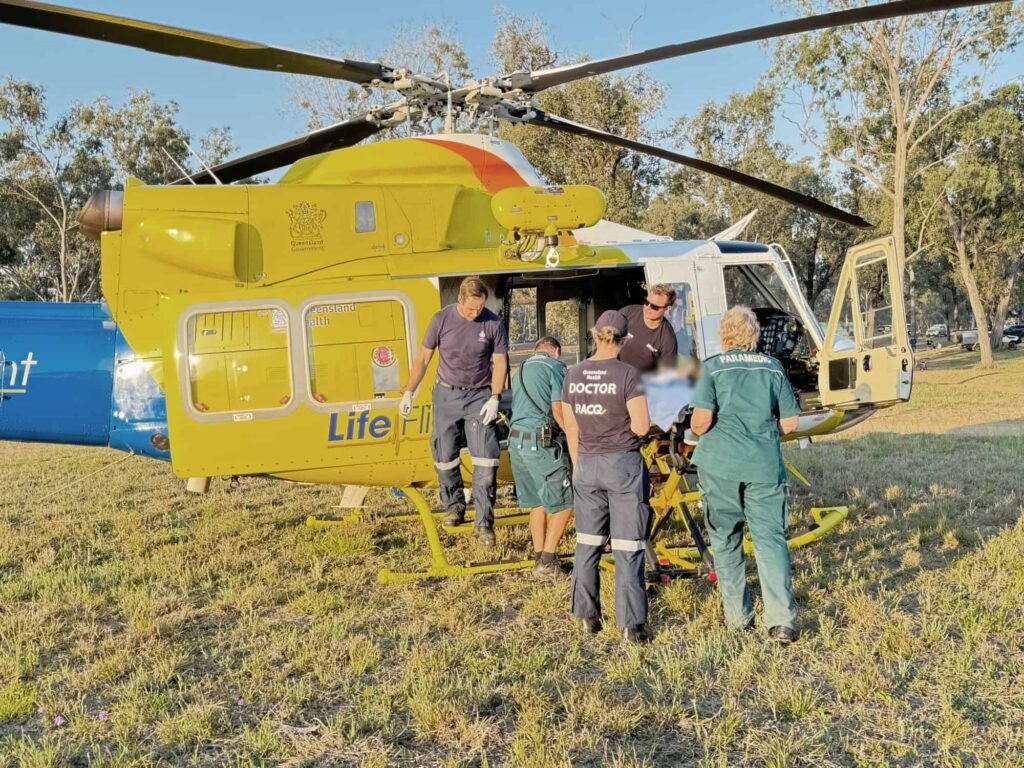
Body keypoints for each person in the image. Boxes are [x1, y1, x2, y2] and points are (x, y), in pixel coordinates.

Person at [688, 305, 801, 645]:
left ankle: (738, 618)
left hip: (720, 465)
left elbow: (701, 422)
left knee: (726, 538)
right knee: (770, 539)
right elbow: (790, 423)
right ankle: (781, 622)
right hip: (763, 464)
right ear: (754, 334)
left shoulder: (712, 368)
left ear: (724, 334)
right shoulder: (772, 367)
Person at [561, 310, 653, 644]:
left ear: (595, 335)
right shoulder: (628, 374)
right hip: (623, 464)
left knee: (587, 543)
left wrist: (578, 466)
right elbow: (641, 426)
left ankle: (588, 617)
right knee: (628, 545)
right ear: (624, 340)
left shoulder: (572, 374)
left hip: (586, 464)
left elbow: (571, 426)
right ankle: (631, 625)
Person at [400, 277, 508, 547]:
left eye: (479, 308)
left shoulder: (493, 323)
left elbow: (500, 362)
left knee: (486, 463)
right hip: (446, 395)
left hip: (479, 396)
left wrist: (495, 397)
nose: (475, 313)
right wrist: (409, 391)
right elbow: (423, 358)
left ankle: (484, 523)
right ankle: (454, 507)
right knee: (444, 456)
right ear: (460, 300)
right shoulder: (441, 320)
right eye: (471, 309)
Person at [508, 336, 574, 579]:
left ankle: (540, 557)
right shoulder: (555, 366)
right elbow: (558, 409)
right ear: (556, 351)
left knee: (537, 502)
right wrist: (575, 436)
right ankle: (547, 561)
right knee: (566, 502)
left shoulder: (521, 369)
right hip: (539, 442)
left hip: (516, 441)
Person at [618, 284, 679, 373]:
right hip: (616, 374)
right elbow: (606, 335)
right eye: (646, 302)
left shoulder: (668, 339)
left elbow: (667, 373)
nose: (648, 308)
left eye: (654, 307)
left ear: (667, 308)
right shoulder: (628, 313)